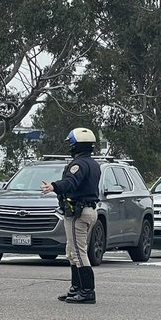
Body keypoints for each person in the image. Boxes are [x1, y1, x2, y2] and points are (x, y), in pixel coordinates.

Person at [40, 127, 102, 304]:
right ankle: (76, 288)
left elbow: (71, 182)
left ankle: (87, 291)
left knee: (79, 252)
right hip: (86, 210)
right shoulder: (93, 163)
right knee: (71, 251)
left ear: (76, 145)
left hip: (78, 212)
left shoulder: (79, 164)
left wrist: (54, 186)